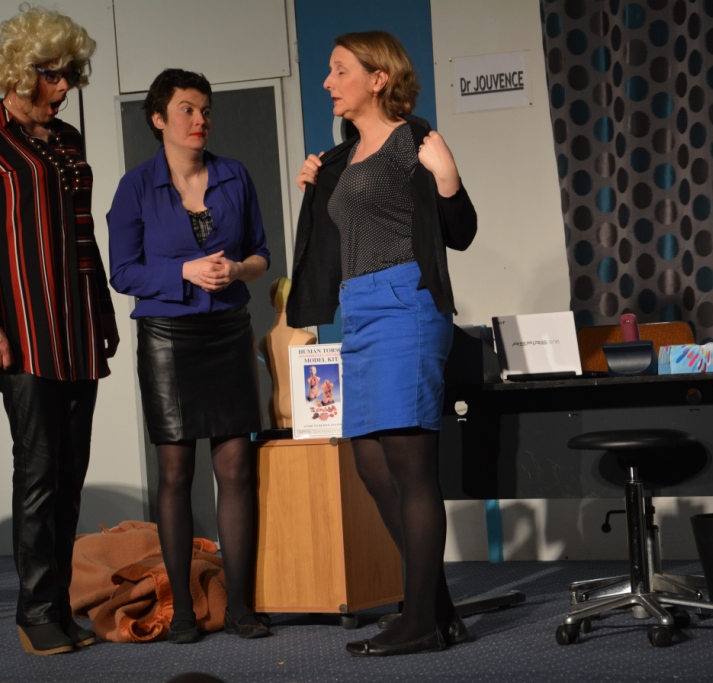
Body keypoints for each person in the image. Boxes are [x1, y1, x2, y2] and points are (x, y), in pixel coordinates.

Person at [287, 31, 478, 657]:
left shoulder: (410, 141)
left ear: (378, 78)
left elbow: (461, 232)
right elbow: (330, 238)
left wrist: (448, 179)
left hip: (405, 304)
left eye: (339, 69)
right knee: (371, 464)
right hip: (360, 312)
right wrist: (317, 184)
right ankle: (438, 612)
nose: (327, 81)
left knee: (410, 466)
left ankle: (419, 618)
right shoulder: (341, 157)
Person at [0, 5, 118, 656]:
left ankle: (59, 605)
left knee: (70, 472)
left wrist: (103, 313)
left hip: (77, 326)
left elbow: (84, 236)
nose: (64, 85)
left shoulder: (67, 139)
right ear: (20, 72)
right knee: (40, 468)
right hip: (21, 330)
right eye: (52, 74)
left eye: (70, 73)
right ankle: (35, 610)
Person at [107, 68, 271, 643]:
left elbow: (261, 254)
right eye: (187, 110)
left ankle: (241, 606)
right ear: (158, 119)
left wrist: (237, 269)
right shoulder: (135, 186)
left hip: (228, 331)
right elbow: (123, 272)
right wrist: (184, 270)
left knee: (237, 469)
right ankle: (180, 610)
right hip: (167, 339)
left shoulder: (235, 175)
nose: (200, 120)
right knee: (176, 473)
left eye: (205, 110)